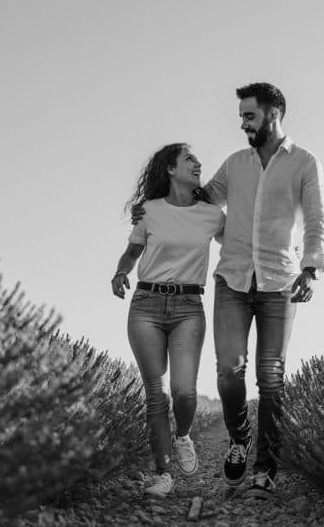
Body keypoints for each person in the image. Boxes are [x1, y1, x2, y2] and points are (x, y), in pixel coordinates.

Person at [133, 82, 324, 500]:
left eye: (249, 116)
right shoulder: (236, 163)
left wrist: (311, 268)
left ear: (273, 113)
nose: (242, 123)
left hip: (279, 282)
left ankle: (265, 468)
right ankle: (240, 438)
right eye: (241, 116)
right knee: (228, 369)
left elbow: (316, 220)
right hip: (233, 281)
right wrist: (153, 205)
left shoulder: (305, 164)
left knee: (271, 377)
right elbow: (200, 197)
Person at [112, 143, 226, 498]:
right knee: (155, 394)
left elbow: (239, 242)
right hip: (145, 303)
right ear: (170, 169)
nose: (198, 163)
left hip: (189, 306)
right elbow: (132, 252)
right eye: (190, 159)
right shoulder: (149, 211)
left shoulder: (211, 215)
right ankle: (162, 474)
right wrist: (119, 273)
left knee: (184, 390)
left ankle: (183, 436)